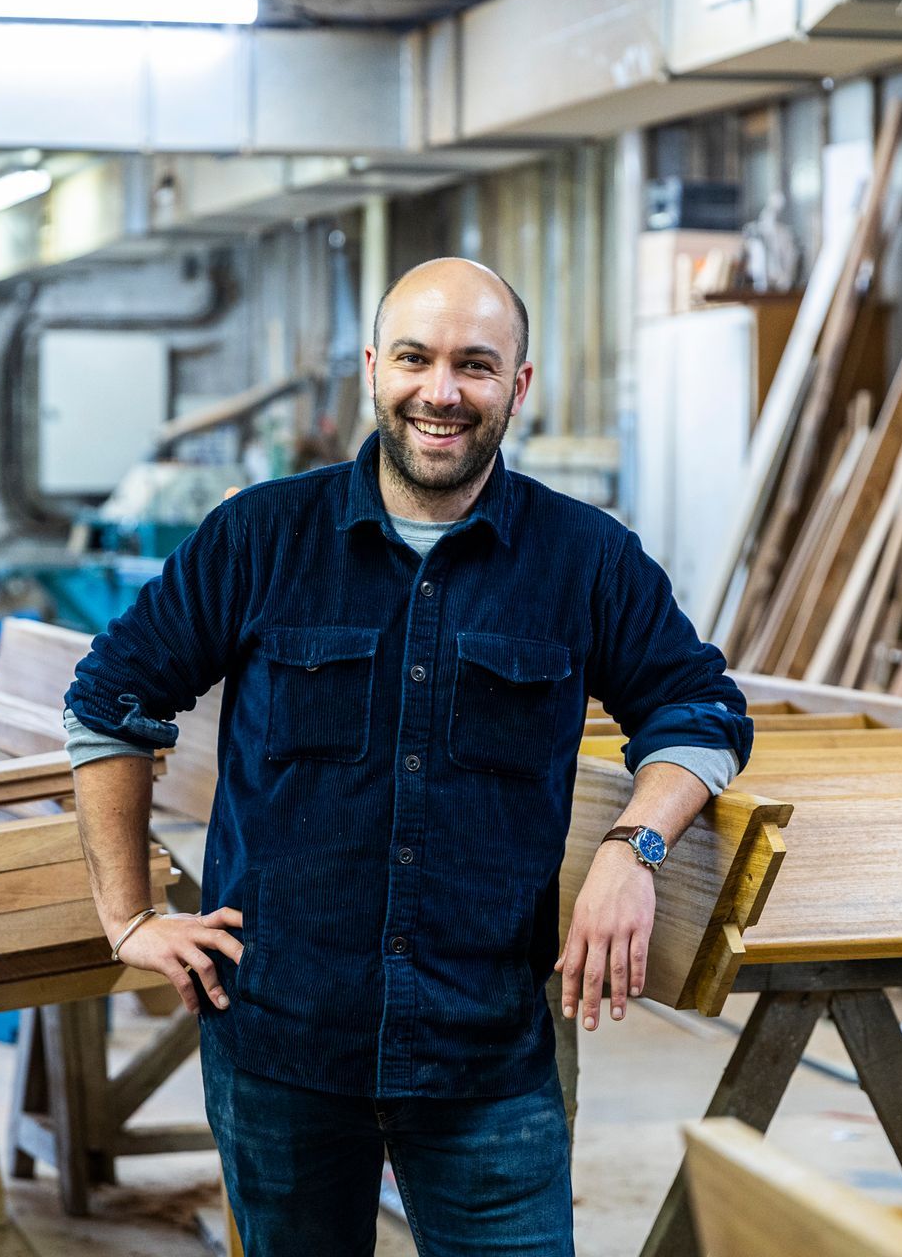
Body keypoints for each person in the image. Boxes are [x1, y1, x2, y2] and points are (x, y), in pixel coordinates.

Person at [63, 257, 754, 1255]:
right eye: (416, 358)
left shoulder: (584, 559)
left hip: (489, 1057)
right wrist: (128, 915)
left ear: (518, 386)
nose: (442, 391)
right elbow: (110, 701)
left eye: (476, 365)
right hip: (281, 1044)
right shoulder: (261, 537)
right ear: (375, 372)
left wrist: (630, 850)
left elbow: (699, 708)